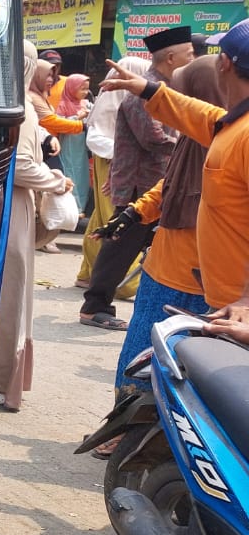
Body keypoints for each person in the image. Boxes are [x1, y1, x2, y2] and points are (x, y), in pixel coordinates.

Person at [89, 56, 223, 456]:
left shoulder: (227, 145)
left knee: (193, 365)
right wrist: (133, 214)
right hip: (163, 271)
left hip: (208, 280)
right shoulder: (191, 144)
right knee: (139, 354)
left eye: (185, 92)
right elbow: (170, 187)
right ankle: (124, 429)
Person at [100, 17, 249, 316]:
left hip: (219, 297)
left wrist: (247, 300)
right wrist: (147, 89)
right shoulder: (228, 126)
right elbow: (199, 116)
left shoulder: (240, 133)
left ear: (224, 65)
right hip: (174, 277)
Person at [79, 27, 193, 330]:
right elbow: (153, 138)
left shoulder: (165, 91)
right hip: (140, 184)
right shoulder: (146, 93)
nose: (192, 59)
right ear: (171, 58)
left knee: (144, 247)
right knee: (119, 247)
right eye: (189, 54)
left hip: (156, 182)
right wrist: (194, 141)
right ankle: (94, 307)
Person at [0, 41, 74, 412]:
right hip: (13, 206)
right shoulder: (20, 108)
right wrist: (56, 181)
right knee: (11, 289)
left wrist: (43, 136)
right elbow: (21, 165)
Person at [77, 57, 146, 297]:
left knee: (100, 218)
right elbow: (95, 136)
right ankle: (124, 283)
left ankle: (88, 273)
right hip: (114, 164)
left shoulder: (123, 98)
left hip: (115, 163)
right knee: (117, 220)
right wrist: (124, 153)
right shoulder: (116, 100)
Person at [29, 58, 82, 249]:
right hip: (37, 156)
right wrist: (80, 124)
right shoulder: (30, 99)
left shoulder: (39, 95)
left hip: (48, 148)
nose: (51, 78)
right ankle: (42, 234)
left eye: (53, 73)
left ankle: (45, 234)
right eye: (47, 74)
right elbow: (49, 120)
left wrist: (48, 137)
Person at [55, 73, 92, 212]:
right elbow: (59, 124)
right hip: (68, 144)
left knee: (82, 174)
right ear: (71, 88)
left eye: (87, 89)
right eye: (81, 88)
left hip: (81, 145)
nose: (85, 92)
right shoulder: (63, 104)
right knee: (70, 171)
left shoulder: (85, 104)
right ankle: (72, 208)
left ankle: (81, 207)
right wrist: (77, 117)